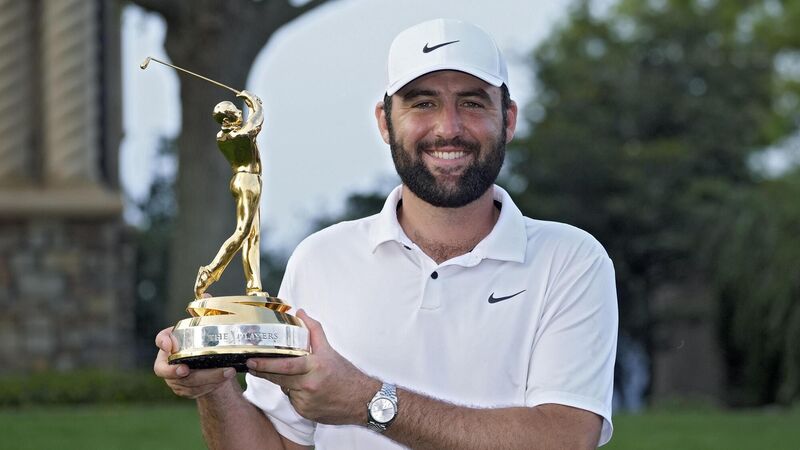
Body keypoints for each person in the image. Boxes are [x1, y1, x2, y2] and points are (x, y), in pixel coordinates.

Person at [154, 18, 618, 449]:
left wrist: (368, 402)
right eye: (423, 103)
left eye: (473, 103)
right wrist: (214, 388)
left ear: (509, 119)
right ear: (384, 121)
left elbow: (565, 436)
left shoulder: (571, 260)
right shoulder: (321, 258)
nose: (449, 128)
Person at [194, 90, 266, 298]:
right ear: (226, 120)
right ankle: (209, 273)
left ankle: (254, 286)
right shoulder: (237, 136)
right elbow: (257, 122)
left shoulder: (223, 136)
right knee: (242, 233)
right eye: (234, 111)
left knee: (253, 235)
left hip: (246, 181)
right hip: (248, 182)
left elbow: (252, 123)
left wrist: (251, 105)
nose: (239, 112)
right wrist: (254, 102)